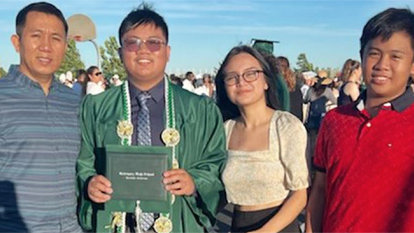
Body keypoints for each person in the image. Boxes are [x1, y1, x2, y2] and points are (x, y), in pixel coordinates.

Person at [76, 4, 227, 233]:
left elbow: (216, 164)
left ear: (167, 52)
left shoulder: (200, 110)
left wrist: (194, 182)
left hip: (181, 222)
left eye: (154, 43)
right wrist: (90, 184)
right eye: (132, 42)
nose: (143, 50)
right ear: (120, 53)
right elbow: (83, 162)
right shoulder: (96, 108)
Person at [306, 8, 414, 232]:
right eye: (374, 53)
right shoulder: (334, 120)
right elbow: (319, 190)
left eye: (395, 56)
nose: (382, 64)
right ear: (361, 56)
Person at [0, 2, 82, 232]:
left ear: (65, 46)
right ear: (17, 42)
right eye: (36, 35)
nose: (46, 46)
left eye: (56, 38)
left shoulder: (76, 102)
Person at [216, 45, 309, 233]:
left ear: (266, 81)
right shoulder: (225, 130)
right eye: (232, 77)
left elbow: (300, 194)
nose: (241, 82)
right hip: (238, 224)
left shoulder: (285, 126)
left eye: (251, 73)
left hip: (280, 227)